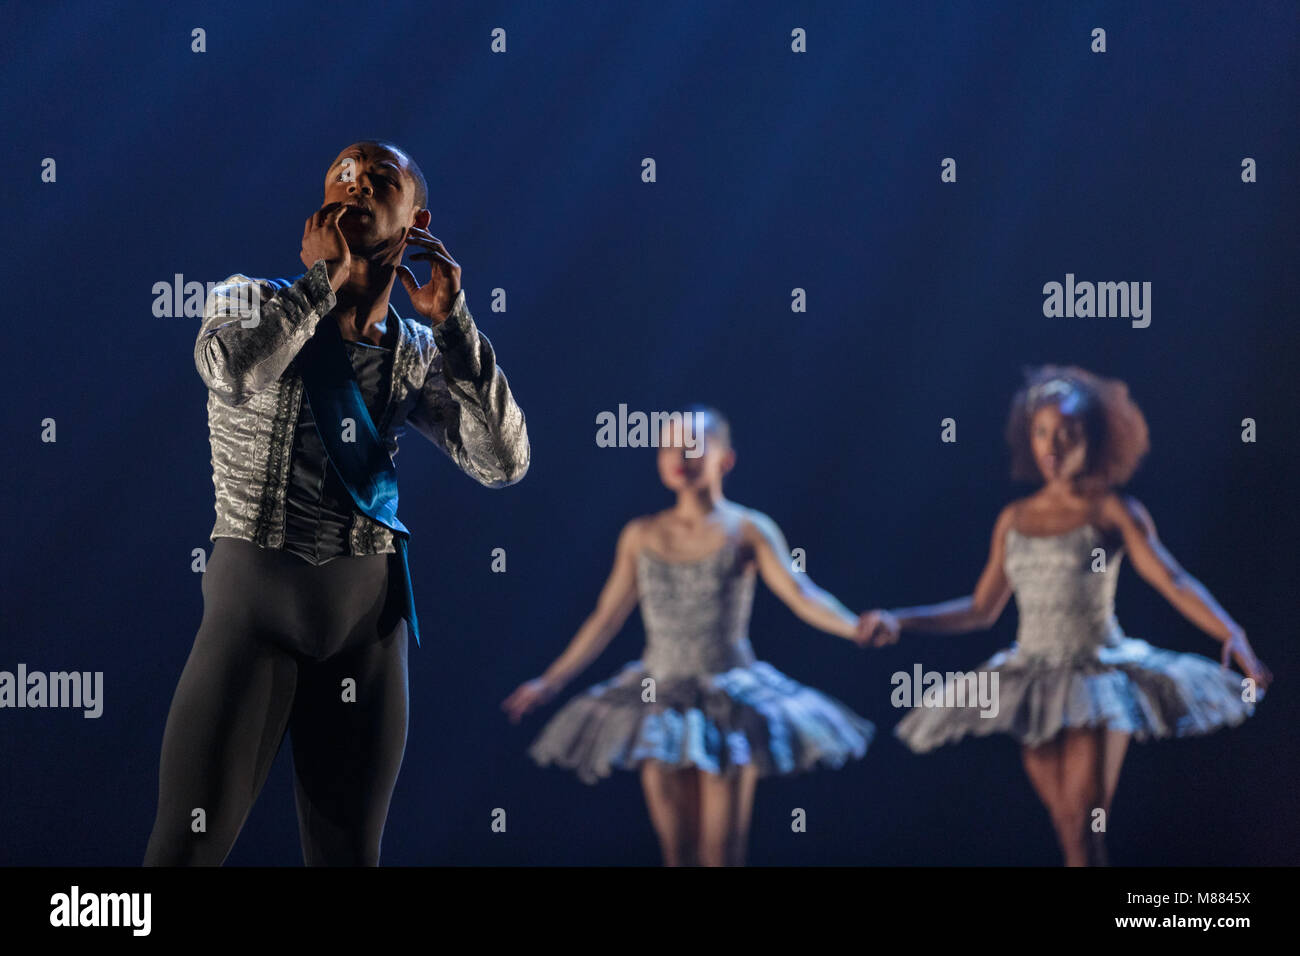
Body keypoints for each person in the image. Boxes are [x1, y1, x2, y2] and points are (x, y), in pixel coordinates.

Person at [144, 141, 530, 866]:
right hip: (256, 609)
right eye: (340, 177)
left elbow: (503, 462)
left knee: (349, 857)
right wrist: (321, 283)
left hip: (367, 626)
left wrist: (457, 329)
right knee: (184, 852)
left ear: (417, 221)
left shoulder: (415, 349)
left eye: (378, 179)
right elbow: (231, 375)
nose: (354, 185)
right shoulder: (245, 298)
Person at [862, 366, 1270, 866]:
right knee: (1067, 826)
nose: (1051, 445)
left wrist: (1233, 633)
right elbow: (980, 608)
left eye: (1066, 433)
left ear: (1092, 437)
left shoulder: (1114, 510)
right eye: (1041, 433)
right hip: (1032, 680)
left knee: (1082, 822)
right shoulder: (1014, 519)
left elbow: (1174, 580)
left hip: (1096, 677)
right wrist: (901, 620)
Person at [503, 407, 876, 866]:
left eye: (694, 445)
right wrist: (551, 681)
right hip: (660, 699)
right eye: (669, 447)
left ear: (725, 459)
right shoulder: (641, 534)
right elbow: (605, 618)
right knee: (677, 853)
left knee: (722, 854)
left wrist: (853, 625)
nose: (680, 456)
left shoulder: (748, 529)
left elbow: (801, 594)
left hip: (729, 697)